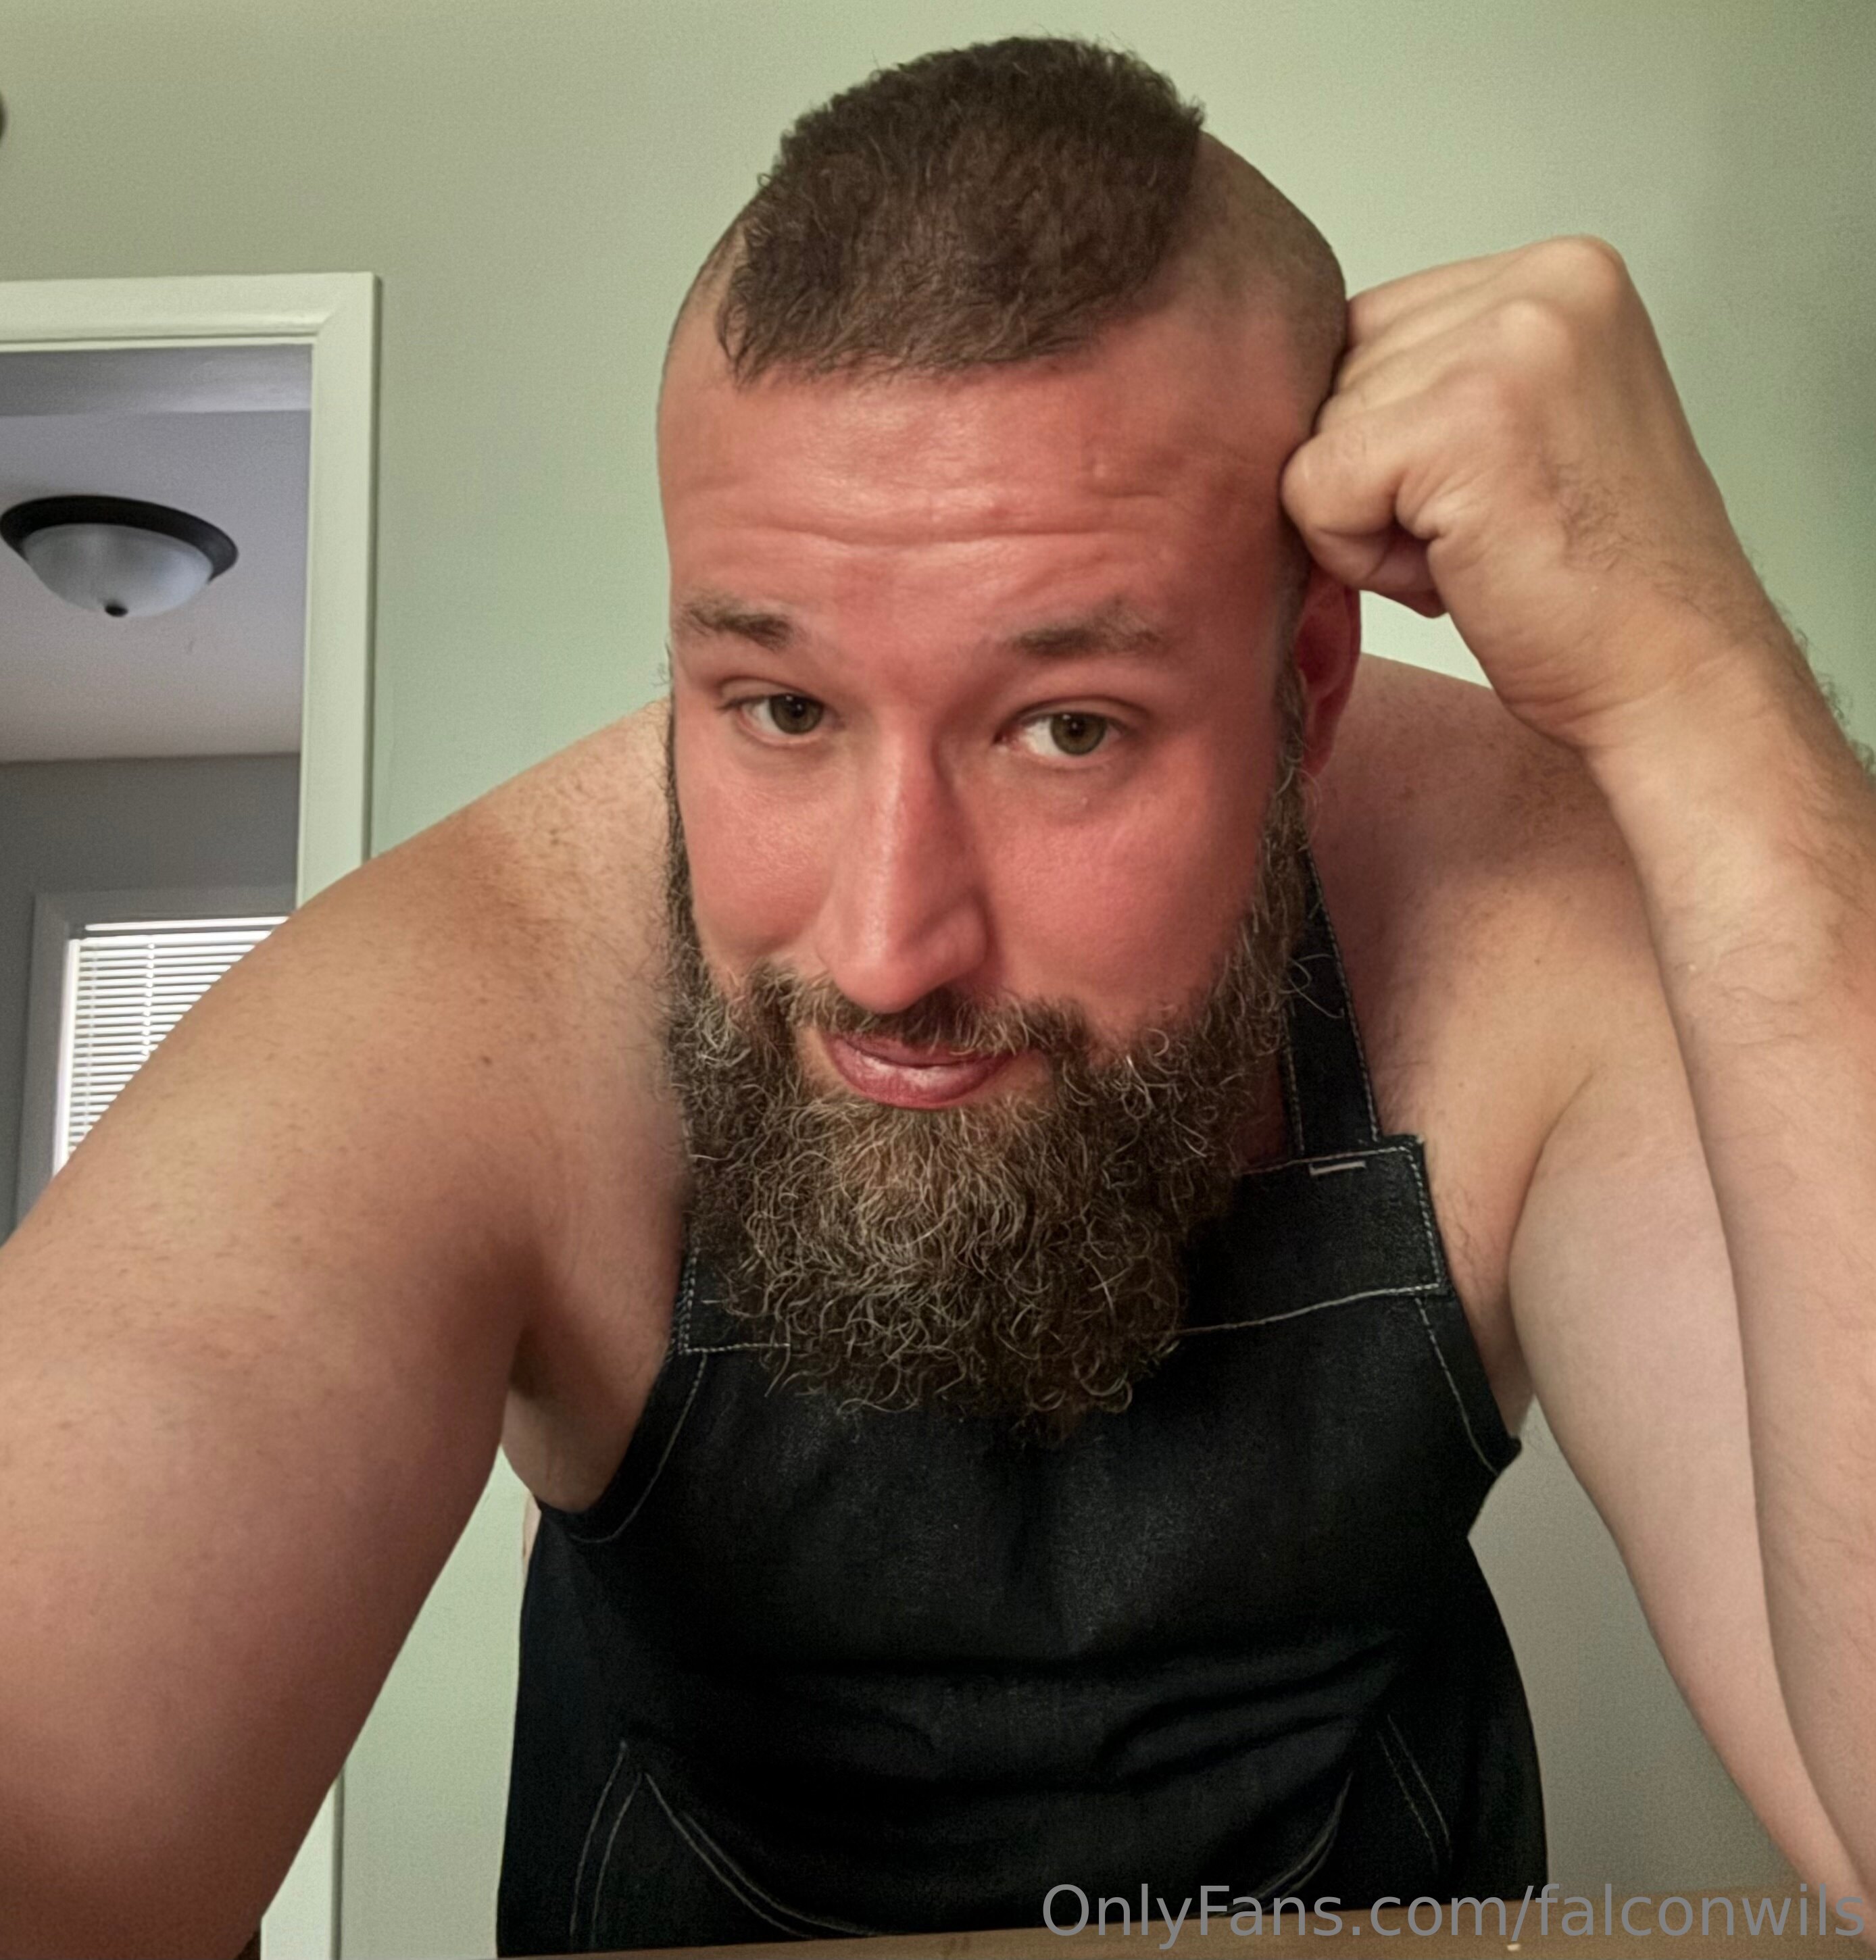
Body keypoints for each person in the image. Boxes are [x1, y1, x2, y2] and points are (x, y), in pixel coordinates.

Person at [3, 32, 1874, 1959]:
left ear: (1306, 683)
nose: (891, 948)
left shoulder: (1528, 916)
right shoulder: (466, 1009)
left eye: (1069, 728)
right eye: (781, 707)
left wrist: (1701, 684)